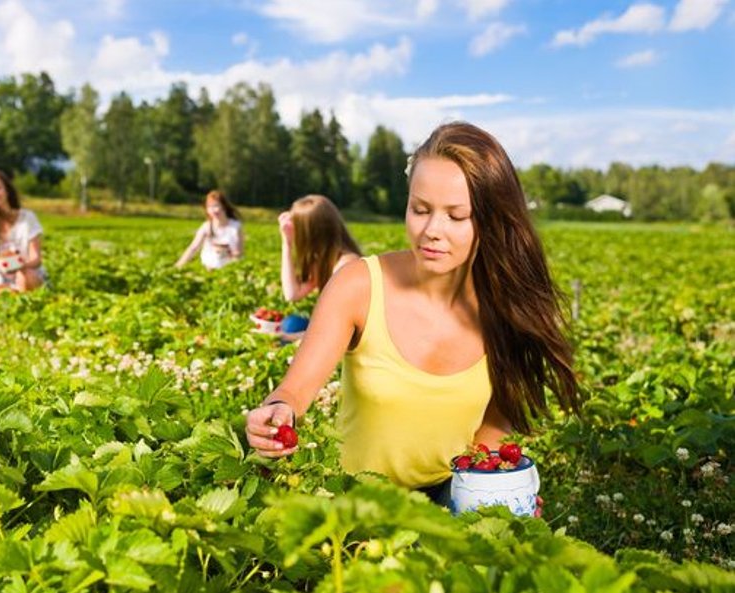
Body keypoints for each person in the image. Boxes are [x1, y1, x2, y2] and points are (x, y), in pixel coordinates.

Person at [244, 121, 579, 508]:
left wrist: (495, 492)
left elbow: (495, 423)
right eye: (420, 210)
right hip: (355, 499)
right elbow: (294, 392)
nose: (432, 230)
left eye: (456, 216)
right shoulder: (358, 287)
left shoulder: (504, 308)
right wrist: (276, 413)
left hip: (447, 494)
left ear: (492, 219)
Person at [277, 194, 362, 340]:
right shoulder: (324, 260)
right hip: (335, 333)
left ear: (310, 234)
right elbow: (292, 294)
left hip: (352, 339)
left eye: (296, 228)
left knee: (289, 330)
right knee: (291, 324)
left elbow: (340, 334)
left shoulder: (346, 266)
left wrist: (286, 337)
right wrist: (287, 244)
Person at [0, 170, 48, 297]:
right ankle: (13, 297)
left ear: (7, 189)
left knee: (24, 277)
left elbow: (36, 259)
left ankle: (23, 300)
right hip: (2, 282)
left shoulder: (27, 218)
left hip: (30, 276)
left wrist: (18, 266)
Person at [174, 190, 244, 270]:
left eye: (216, 206)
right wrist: (178, 265)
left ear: (224, 207)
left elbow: (239, 253)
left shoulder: (235, 227)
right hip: (208, 266)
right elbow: (193, 248)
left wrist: (227, 253)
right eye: (209, 207)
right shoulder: (206, 227)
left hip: (229, 267)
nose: (213, 210)